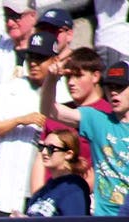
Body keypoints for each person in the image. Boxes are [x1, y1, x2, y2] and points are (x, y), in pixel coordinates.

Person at [0, 30, 55, 215]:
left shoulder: (64, 92)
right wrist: (19, 120)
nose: (34, 63)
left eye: (41, 58)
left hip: (45, 188)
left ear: (53, 60)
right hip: (6, 188)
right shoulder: (9, 89)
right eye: (31, 57)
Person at [41, 58, 129, 214]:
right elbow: (49, 110)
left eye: (120, 87)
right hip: (105, 219)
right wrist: (51, 79)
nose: (113, 92)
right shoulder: (97, 119)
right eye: (110, 87)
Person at [29, 47, 108, 193]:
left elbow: (105, 164)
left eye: (78, 76)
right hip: (48, 198)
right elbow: (41, 157)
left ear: (95, 76)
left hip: (83, 197)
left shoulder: (107, 115)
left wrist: (78, 194)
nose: (71, 82)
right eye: (68, 77)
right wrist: (38, 198)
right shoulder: (58, 113)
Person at [25, 128, 92, 214]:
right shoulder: (44, 190)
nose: (44, 152)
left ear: (68, 154)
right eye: (42, 147)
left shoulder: (74, 189)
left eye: (51, 148)